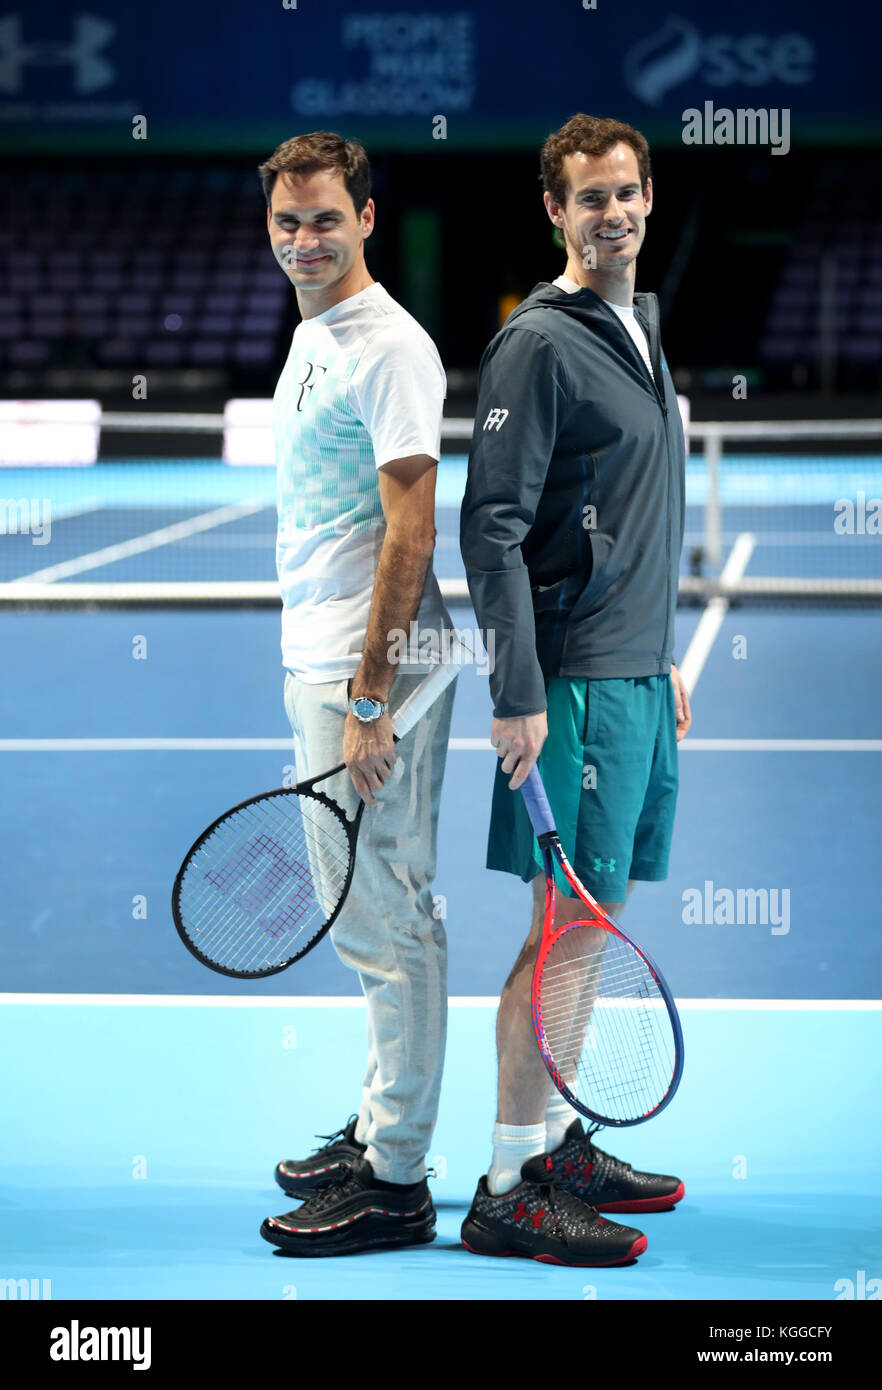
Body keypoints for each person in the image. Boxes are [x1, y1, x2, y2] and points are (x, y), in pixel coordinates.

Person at [459, 114, 692, 1266]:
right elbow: (490, 525)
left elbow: (642, 512)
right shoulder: (537, 346)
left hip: (637, 675)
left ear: (650, 197)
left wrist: (664, 653)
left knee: (595, 929)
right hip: (572, 690)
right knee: (562, 936)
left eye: (628, 193)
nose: (614, 214)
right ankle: (508, 1183)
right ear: (556, 211)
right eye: (590, 198)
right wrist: (516, 687)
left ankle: (557, 1145)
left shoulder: (640, 325)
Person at [256, 131, 456, 1257]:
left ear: (368, 219)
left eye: (326, 219)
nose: (305, 241)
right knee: (368, 917)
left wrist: (371, 695)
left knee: (388, 920)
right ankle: (386, 1122)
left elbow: (411, 527)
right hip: (327, 660)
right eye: (288, 222)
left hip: (361, 674)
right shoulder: (315, 333)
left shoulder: (388, 348)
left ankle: (396, 1178)